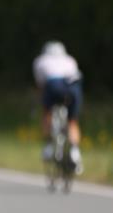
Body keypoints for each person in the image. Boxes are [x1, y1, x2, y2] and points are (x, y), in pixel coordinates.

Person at [33, 41, 83, 173]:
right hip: (73, 87)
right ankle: (75, 151)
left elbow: (41, 86)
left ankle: (49, 145)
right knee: (72, 121)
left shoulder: (40, 61)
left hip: (53, 85)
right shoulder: (70, 60)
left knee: (47, 113)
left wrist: (42, 103)